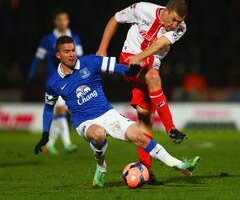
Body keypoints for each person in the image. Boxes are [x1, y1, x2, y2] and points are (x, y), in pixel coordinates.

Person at [33, 36, 200, 188]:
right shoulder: (53, 82)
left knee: (140, 137)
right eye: (66, 51)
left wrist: (129, 71)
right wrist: (45, 134)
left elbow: (116, 67)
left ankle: (181, 165)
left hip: (107, 114)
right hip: (85, 122)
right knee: (98, 134)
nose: (71, 54)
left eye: (73, 50)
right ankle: (101, 167)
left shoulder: (90, 62)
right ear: (58, 56)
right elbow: (48, 108)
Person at [96, 0, 188, 183]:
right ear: (166, 10)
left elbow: (160, 44)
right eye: (174, 19)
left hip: (148, 63)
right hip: (129, 60)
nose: (176, 24)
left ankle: (145, 170)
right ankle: (171, 127)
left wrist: (141, 57)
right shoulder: (142, 9)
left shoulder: (181, 28)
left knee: (144, 119)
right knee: (153, 77)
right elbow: (115, 20)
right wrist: (102, 49)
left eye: (180, 21)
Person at [28, 10, 82, 154]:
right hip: (55, 80)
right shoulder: (47, 40)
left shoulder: (74, 37)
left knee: (61, 112)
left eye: (65, 19)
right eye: (60, 19)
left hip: (73, 79)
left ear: (68, 21)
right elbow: (38, 58)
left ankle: (49, 144)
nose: (63, 22)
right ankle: (67, 144)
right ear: (55, 22)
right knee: (60, 111)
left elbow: (81, 58)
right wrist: (31, 76)